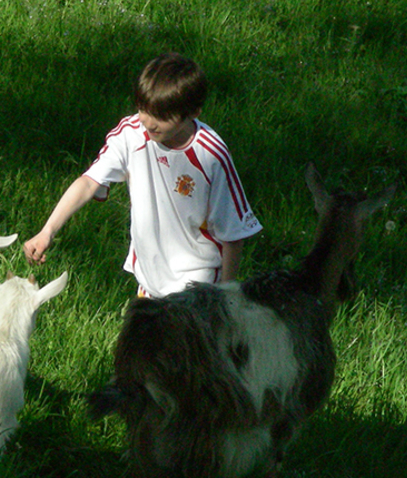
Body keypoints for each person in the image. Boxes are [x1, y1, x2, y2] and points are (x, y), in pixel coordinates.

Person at [23, 52, 261, 297]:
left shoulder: (211, 156)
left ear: (193, 112)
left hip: (197, 283)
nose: (148, 122)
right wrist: (47, 231)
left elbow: (233, 233)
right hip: (149, 281)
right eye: (143, 109)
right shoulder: (131, 133)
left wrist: (224, 296)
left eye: (162, 116)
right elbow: (88, 183)